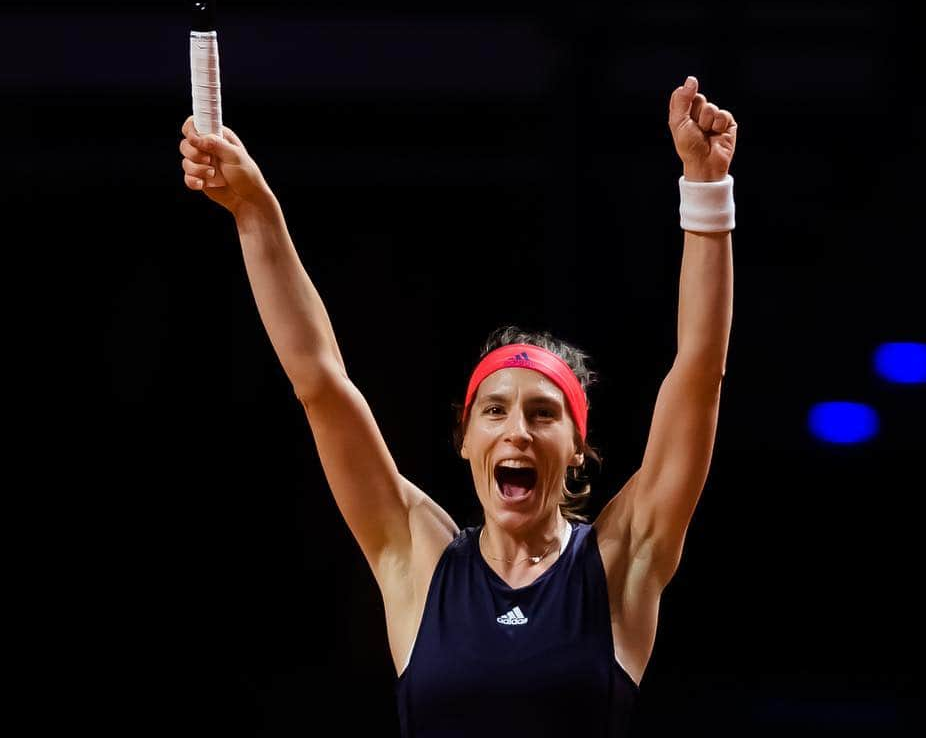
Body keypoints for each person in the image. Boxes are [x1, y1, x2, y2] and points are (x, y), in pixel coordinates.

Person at [177, 74, 736, 737]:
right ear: (465, 439)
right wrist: (254, 210)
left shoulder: (618, 564)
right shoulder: (416, 558)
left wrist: (706, 187)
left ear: (578, 449)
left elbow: (699, 373)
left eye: (543, 414)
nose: (517, 431)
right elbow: (319, 382)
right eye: (494, 411)